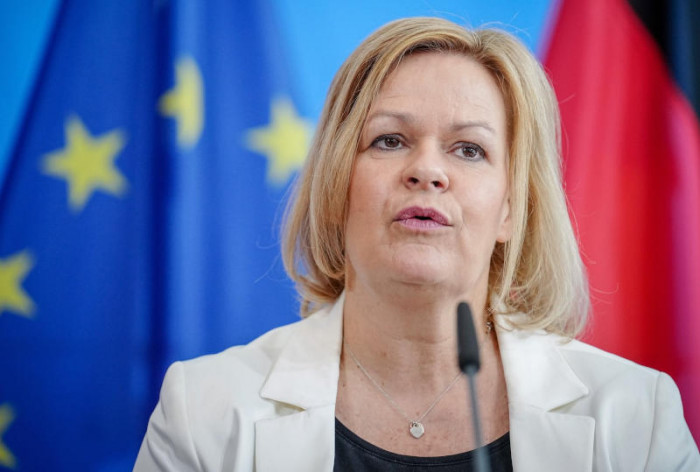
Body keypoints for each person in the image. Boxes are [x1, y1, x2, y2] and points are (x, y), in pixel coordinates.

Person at [134, 17, 699, 471]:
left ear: (509, 209)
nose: (427, 170)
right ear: (337, 186)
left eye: (469, 150)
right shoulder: (204, 411)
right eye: (390, 140)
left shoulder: (635, 417)